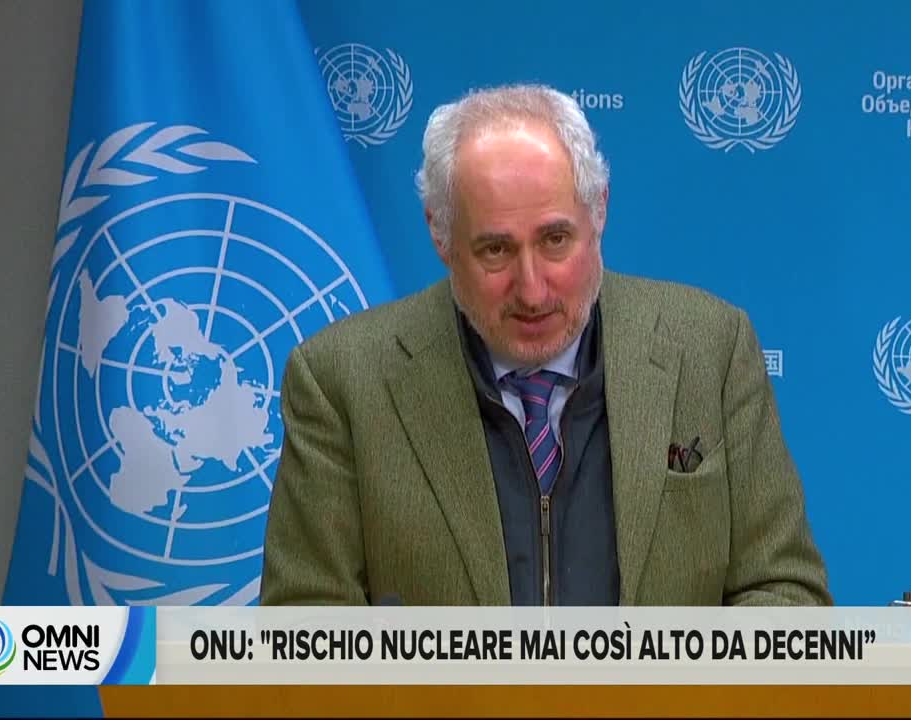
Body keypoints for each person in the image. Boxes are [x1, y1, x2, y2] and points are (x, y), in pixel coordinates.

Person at [260, 84, 830, 606]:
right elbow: (306, 628)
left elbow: (784, 593)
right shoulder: (341, 380)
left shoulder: (710, 349)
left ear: (599, 209)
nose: (532, 290)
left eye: (555, 240)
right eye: (495, 251)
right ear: (439, 234)